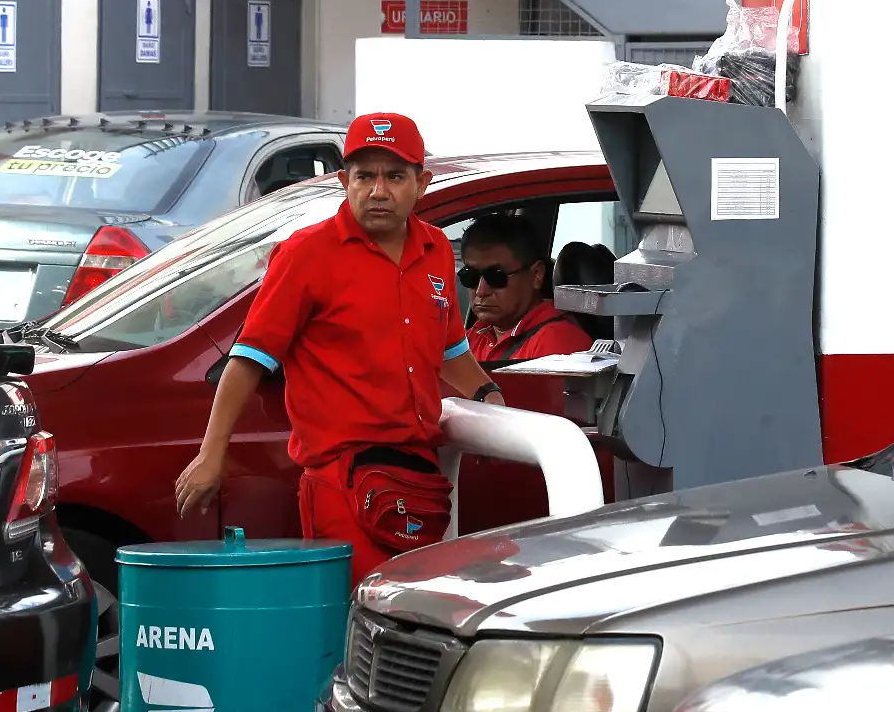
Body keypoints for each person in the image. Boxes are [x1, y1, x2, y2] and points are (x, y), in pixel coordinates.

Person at [173, 111, 504, 583]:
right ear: (343, 181)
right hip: (339, 481)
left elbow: (452, 353)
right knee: (364, 616)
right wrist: (212, 454)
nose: (378, 190)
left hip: (418, 476)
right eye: (364, 176)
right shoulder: (306, 254)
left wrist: (489, 397)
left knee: (411, 619)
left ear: (422, 182)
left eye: (394, 176)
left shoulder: (435, 250)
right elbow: (248, 359)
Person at [460, 215, 593, 365]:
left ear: (536, 275)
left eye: (496, 276)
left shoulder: (557, 345)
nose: (481, 291)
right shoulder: (474, 336)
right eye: (470, 276)